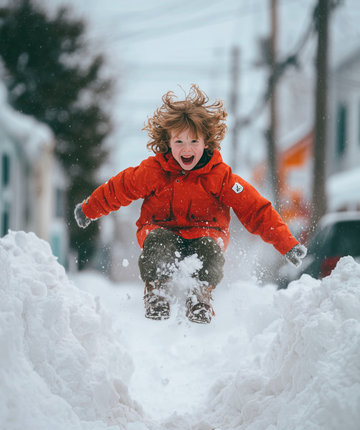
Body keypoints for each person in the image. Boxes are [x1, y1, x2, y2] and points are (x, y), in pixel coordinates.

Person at [74, 85, 307, 324]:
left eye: (194, 141)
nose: (187, 149)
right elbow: (119, 188)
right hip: (160, 229)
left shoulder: (220, 177)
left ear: (207, 142)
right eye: (179, 141)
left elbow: (255, 209)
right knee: (158, 245)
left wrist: (287, 244)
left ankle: (200, 298)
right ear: (167, 142)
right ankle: (157, 293)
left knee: (210, 250)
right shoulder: (153, 171)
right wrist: (88, 209)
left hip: (207, 232)